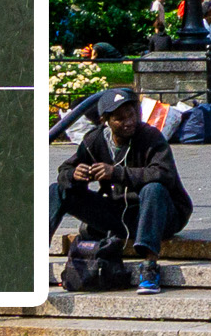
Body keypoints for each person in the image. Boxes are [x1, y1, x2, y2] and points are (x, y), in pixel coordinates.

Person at [48, 86, 193, 293]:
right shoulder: (94, 140)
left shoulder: (150, 137)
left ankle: (150, 266)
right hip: (119, 215)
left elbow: (164, 174)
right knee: (58, 190)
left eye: (131, 115)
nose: (129, 122)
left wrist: (116, 173)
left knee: (153, 188)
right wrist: (73, 175)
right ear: (105, 120)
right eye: (120, 118)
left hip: (159, 215)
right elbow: (64, 170)